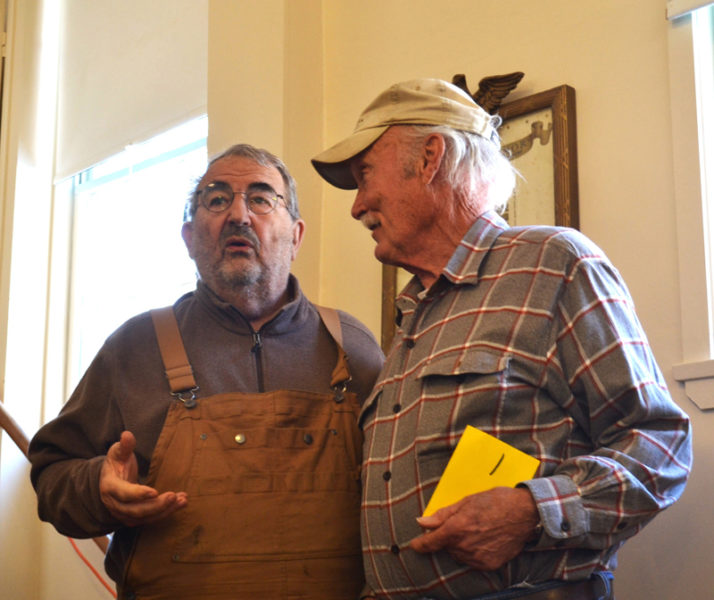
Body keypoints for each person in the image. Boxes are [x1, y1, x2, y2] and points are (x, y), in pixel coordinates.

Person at [311, 78, 692, 600]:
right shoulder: (410, 316)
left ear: (429, 159)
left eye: (364, 175)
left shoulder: (554, 262)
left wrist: (533, 511)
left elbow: (661, 445)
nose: (358, 206)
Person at [29, 143, 385, 600]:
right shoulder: (134, 347)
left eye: (261, 198)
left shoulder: (353, 348)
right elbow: (52, 476)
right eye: (216, 199)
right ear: (190, 237)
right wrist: (96, 488)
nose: (239, 214)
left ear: (295, 236)